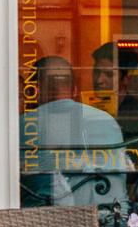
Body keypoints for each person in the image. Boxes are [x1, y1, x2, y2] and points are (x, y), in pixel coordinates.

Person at [24, 55, 129, 210]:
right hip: (113, 223)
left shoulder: (24, 125)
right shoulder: (106, 121)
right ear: (74, 90)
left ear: (34, 91)